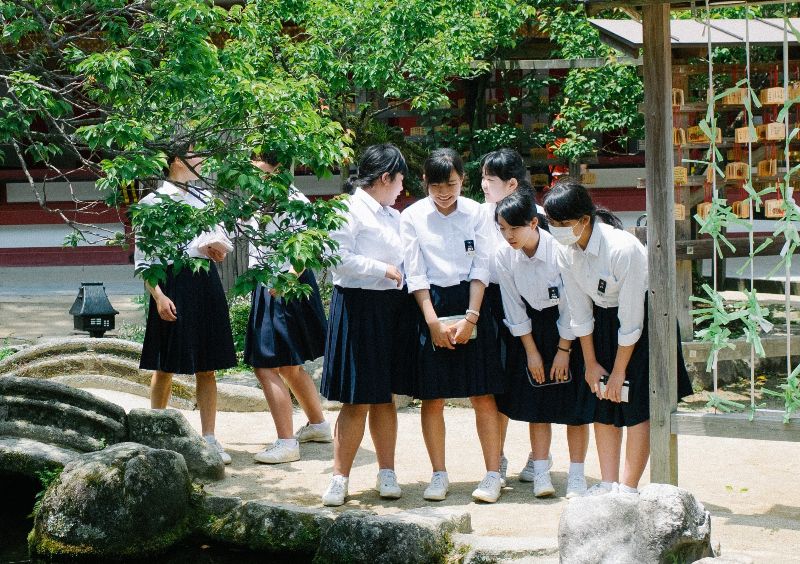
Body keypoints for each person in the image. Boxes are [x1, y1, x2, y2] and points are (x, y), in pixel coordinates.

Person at [543, 179, 692, 494]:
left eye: (563, 223)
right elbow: (579, 312)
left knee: (635, 400)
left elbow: (632, 319)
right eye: (552, 224)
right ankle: (608, 481)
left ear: (585, 220)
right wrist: (590, 363)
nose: (557, 230)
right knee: (601, 397)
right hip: (601, 322)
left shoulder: (621, 249)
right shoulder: (564, 251)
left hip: (646, 320)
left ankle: (627, 486)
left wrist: (620, 370)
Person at [400, 148, 504, 503]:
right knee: (432, 397)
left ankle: (493, 474)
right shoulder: (412, 216)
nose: (444, 193)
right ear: (425, 182)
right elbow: (414, 272)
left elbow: (483, 267)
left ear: (463, 180)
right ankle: (438, 474)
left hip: (473, 300)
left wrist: (472, 316)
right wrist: (431, 322)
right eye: (437, 186)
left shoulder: (478, 212)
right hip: (431, 303)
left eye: (452, 184)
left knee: (483, 393)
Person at [319, 143, 413, 507]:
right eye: (400, 179)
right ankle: (339, 477)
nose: (402, 187)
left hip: (391, 307)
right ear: (385, 177)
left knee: (386, 396)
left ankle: (386, 471)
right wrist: (382, 269)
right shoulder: (347, 208)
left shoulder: (393, 215)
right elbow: (337, 260)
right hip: (357, 306)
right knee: (357, 399)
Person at [136, 148, 237, 464]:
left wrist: (217, 250)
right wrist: (159, 296)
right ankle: (154, 431)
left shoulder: (206, 200)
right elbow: (143, 261)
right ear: (177, 161)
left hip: (204, 278)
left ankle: (209, 437)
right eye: (196, 156)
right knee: (165, 364)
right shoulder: (152, 204)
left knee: (207, 366)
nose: (203, 161)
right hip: (170, 280)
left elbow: (222, 239)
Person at [493, 189, 593, 498]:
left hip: (570, 328)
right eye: (502, 229)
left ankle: (577, 475)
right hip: (530, 331)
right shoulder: (503, 256)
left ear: (534, 223)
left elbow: (573, 304)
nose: (508, 235)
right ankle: (540, 472)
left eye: (515, 227)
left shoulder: (560, 251)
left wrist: (564, 350)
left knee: (575, 406)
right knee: (538, 405)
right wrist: (532, 353)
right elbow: (513, 308)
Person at [244, 155, 331, 465]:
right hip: (270, 281)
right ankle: (318, 425)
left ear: (277, 167)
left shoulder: (293, 199)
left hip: (283, 282)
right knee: (289, 365)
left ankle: (286, 442)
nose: (253, 170)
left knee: (267, 365)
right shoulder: (260, 197)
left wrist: (288, 279)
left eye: (258, 164)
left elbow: (306, 247)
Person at [478, 148, 545, 484]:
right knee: (495, 384)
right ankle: (497, 458)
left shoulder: (539, 216)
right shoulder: (478, 215)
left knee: (538, 380)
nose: (484, 186)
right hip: (490, 302)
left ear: (512, 184)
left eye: (489, 180)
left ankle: (538, 458)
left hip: (534, 304)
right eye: (482, 178)